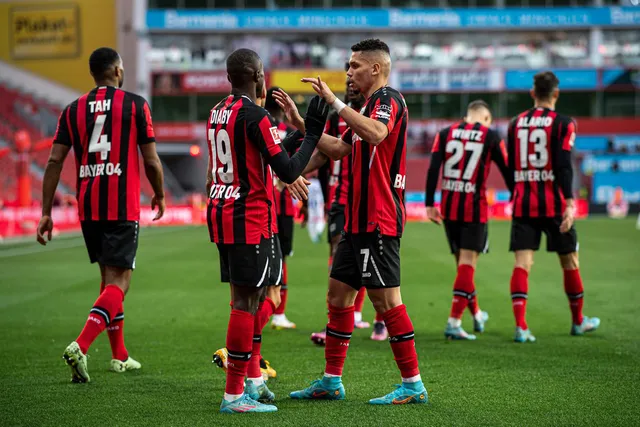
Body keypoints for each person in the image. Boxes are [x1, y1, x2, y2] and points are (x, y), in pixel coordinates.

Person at [286, 38, 428, 405]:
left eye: (354, 66)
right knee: (337, 295)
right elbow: (339, 149)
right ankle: (331, 381)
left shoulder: (388, 101)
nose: (348, 72)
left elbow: (377, 134)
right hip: (357, 221)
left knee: (387, 303)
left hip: (379, 219)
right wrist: (300, 123)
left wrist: (333, 103)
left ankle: (413, 385)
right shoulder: (367, 108)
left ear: (376, 68)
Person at [207, 48, 328, 414]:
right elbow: (289, 171)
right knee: (248, 302)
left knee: (252, 298)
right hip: (251, 217)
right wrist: (313, 132)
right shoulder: (257, 116)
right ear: (260, 77)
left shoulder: (216, 112)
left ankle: (254, 380)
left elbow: (265, 154)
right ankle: (233, 395)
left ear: (230, 78)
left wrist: (295, 134)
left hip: (223, 213)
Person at [36, 47, 165, 382]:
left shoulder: (72, 110)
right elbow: (150, 160)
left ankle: (119, 356)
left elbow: (53, 162)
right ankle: (81, 344)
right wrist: (160, 193)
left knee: (107, 279)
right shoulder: (136, 105)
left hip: (89, 205)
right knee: (120, 281)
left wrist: (46, 212)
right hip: (121, 206)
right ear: (118, 71)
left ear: (94, 74)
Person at [507, 71, 600, 343]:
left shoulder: (516, 123)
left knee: (522, 263)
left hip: (524, 203)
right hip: (554, 204)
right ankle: (578, 321)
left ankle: (521, 327)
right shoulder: (564, 123)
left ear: (532, 93)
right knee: (569, 260)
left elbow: (512, 163)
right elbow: (562, 164)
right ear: (556, 94)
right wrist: (570, 203)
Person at [425, 100, 513, 340]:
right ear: (485, 119)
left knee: (462, 267)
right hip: (473, 208)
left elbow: (433, 168)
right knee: (467, 264)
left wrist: (429, 204)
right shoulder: (490, 136)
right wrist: (517, 195)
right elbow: (507, 169)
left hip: (449, 207)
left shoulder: (445, 133)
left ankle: (476, 314)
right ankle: (454, 322)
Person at [265, 87, 297, 330]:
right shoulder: (287, 131)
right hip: (283, 205)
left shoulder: (257, 125)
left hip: (260, 204)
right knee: (282, 257)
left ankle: (261, 308)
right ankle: (278, 312)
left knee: (262, 258)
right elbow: (294, 168)